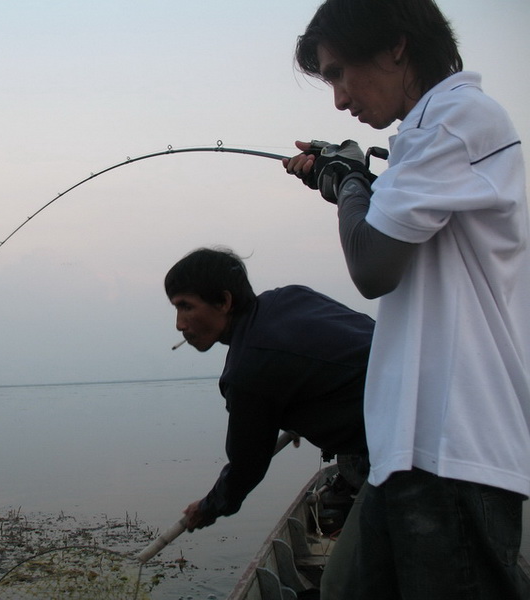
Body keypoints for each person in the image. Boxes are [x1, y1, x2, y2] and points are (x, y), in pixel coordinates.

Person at [283, 1, 530, 598]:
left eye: (340, 72)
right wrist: (352, 184)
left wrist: (345, 181)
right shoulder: (423, 138)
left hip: (454, 444)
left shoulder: (452, 120)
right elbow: (377, 230)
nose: (339, 99)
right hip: (410, 447)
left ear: (396, 46)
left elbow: (372, 266)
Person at [165, 246, 374, 599]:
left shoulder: (247, 371)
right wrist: (299, 412)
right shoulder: (288, 298)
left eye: (186, 306)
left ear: (224, 302)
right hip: (443, 406)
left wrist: (209, 507)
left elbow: (247, 465)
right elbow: (349, 354)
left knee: (341, 585)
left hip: (410, 449)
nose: (179, 324)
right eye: (176, 308)